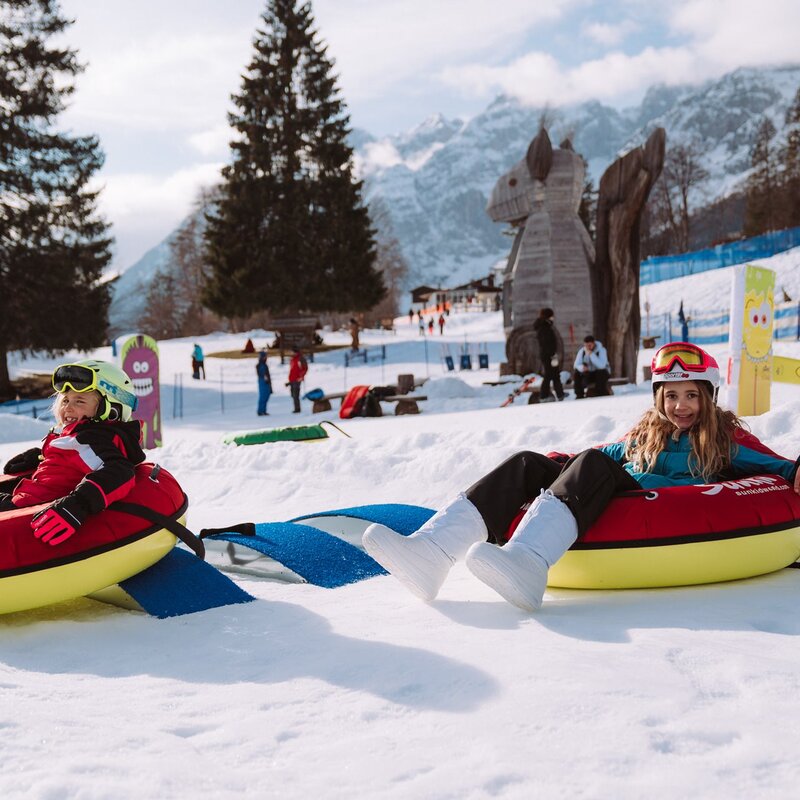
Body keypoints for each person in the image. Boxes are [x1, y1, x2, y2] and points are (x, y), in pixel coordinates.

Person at [362, 342, 800, 612]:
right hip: (615, 486)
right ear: (658, 398)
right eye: (671, 396)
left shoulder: (724, 436)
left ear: (708, 398)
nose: (680, 406)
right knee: (527, 462)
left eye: (691, 396)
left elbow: (778, 468)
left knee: (591, 465)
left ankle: (529, 563)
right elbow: (606, 453)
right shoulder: (648, 432)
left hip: (653, 502)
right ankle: (430, 554)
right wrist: (558, 462)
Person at [0, 360, 144, 546]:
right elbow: (71, 461)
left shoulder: (93, 439)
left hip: (32, 508)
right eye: (66, 400)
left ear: (111, 408)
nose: (68, 407)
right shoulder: (82, 436)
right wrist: (38, 457)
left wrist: (78, 505)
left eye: (80, 401)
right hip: (29, 497)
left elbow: (121, 471)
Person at [533, 307, 564, 401]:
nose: (553, 318)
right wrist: (551, 354)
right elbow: (546, 343)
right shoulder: (544, 328)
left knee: (555, 374)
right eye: (551, 316)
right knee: (549, 374)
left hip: (551, 355)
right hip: (548, 355)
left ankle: (560, 393)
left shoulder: (547, 326)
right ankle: (543, 395)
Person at [287, 346, 308, 413]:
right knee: (293, 395)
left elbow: (305, 368)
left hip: (297, 379)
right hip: (292, 379)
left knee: (295, 394)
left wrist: (301, 376)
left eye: (292, 351)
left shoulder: (300, 358)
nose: (291, 353)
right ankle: (296, 407)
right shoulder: (292, 359)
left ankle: (297, 409)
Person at [256, 349, 272, 416]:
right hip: (263, 382)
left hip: (266, 382)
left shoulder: (263, 364)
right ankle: (260, 411)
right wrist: (265, 378)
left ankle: (263, 410)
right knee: (263, 396)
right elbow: (263, 373)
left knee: (266, 396)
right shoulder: (261, 365)